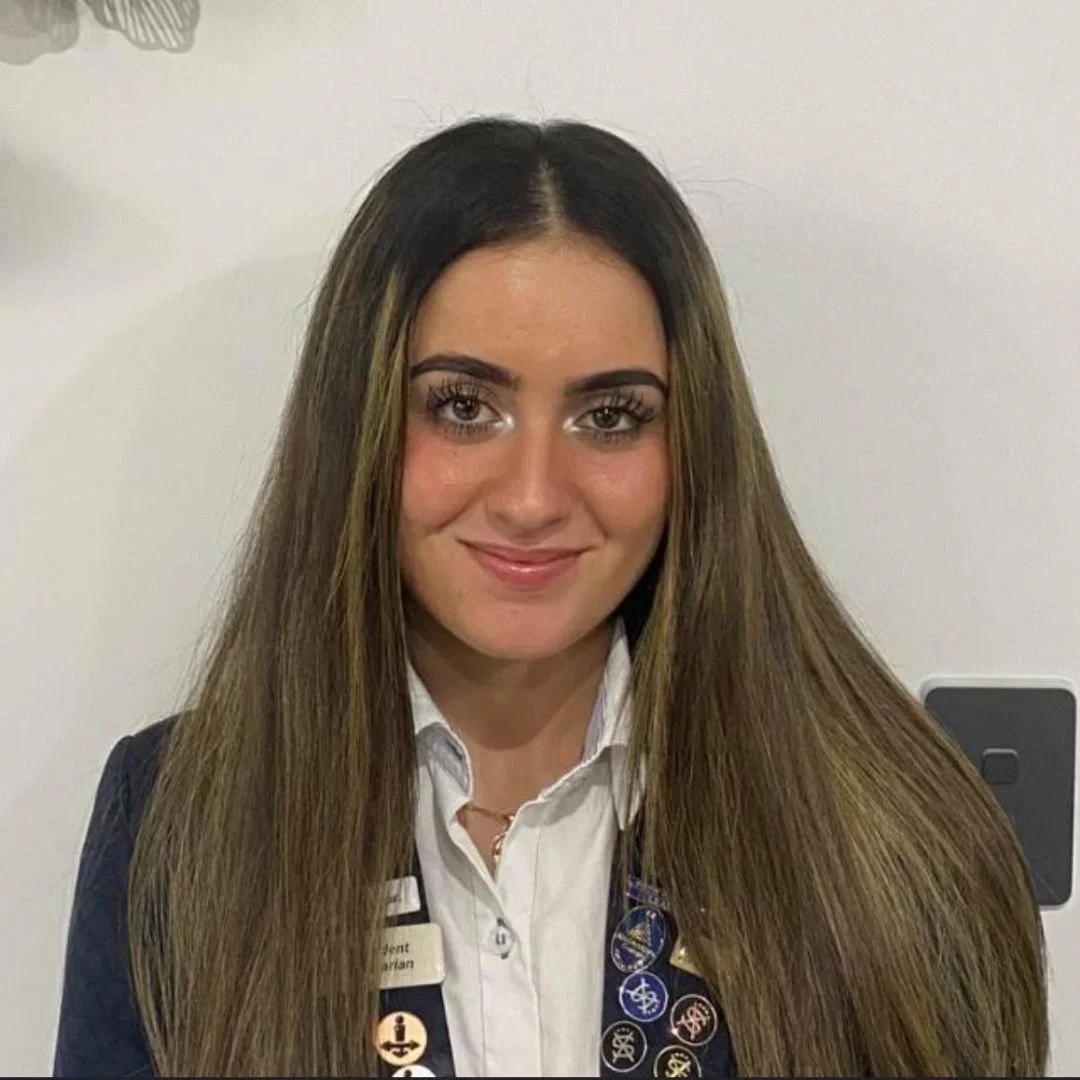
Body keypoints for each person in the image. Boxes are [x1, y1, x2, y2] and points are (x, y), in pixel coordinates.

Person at [53, 115, 1048, 1079]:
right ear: (359, 424)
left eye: (610, 415)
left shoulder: (892, 827)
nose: (532, 497)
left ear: (691, 442)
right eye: (463, 407)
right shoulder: (184, 821)